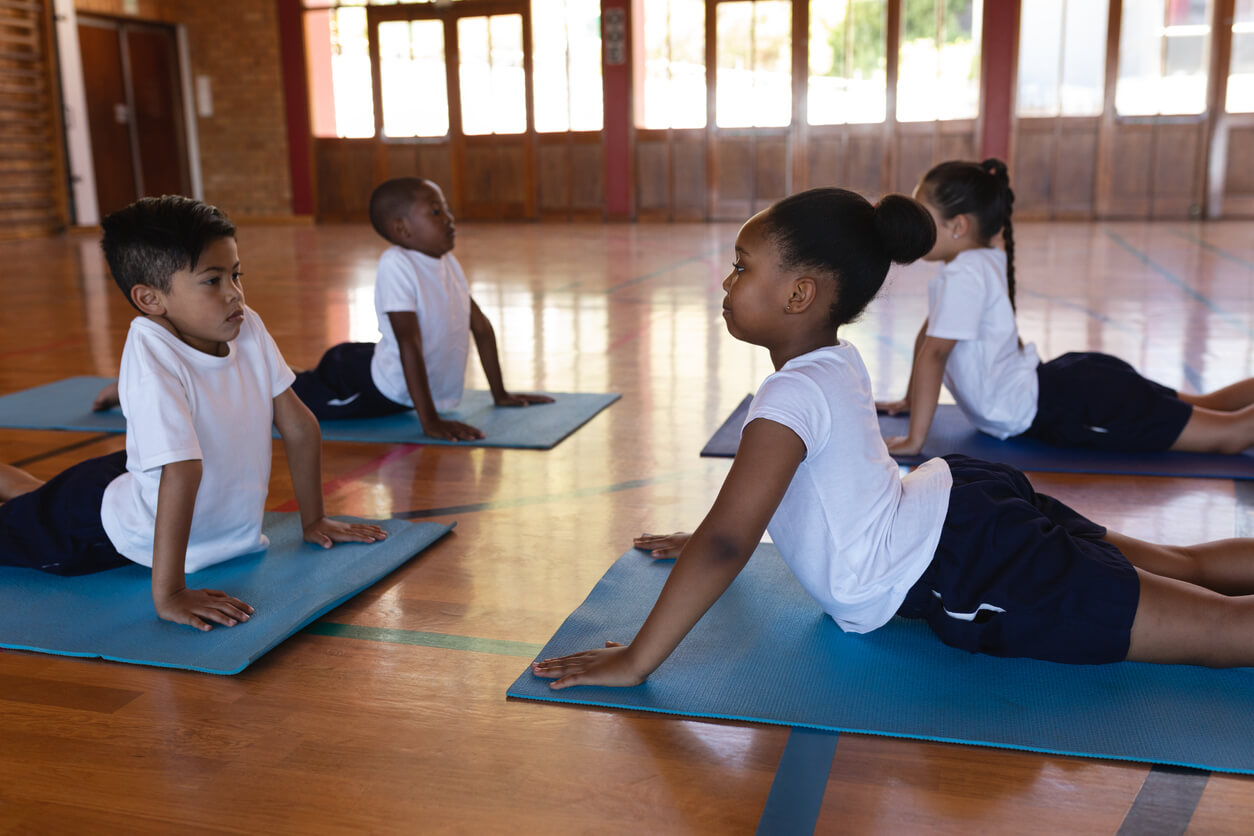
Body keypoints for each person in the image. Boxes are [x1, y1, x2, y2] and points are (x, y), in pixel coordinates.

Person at [532, 187, 1254, 690]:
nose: (727, 281)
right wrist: (704, 537)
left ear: (800, 293)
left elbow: (729, 542)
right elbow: (789, 498)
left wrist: (637, 660)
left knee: (1224, 634)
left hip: (971, 563)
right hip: (963, 511)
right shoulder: (832, 360)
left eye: (742, 265)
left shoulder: (790, 395)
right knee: (1184, 565)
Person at [1, 195, 388, 632]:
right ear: (150, 299)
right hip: (96, 526)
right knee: (27, 518)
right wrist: (170, 594)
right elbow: (181, 471)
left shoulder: (245, 324)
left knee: (42, 499)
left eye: (236, 275)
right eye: (212, 281)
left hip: (136, 481)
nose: (233, 293)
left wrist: (314, 520)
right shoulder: (151, 354)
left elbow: (299, 425)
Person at [876, 158, 1254, 457]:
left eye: (923, 217)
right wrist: (910, 400)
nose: (917, 228)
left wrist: (915, 440)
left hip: (1076, 404)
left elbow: (935, 353)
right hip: (1069, 386)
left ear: (958, 225)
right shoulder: (973, 263)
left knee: (1231, 435)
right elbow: (930, 336)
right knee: (1211, 407)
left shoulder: (965, 274)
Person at [290, 177, 552, 440]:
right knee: (293, 396)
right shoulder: (396, 265)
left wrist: (500, 394)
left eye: (446, 210)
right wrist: (430, 421)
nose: (449, 219)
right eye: (436, 212)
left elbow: (481, 327)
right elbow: (409, 343)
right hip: (370, 383)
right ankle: (280, 372)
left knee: (331, 367)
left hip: (379, 360)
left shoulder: (447, 262)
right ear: (402, 229)